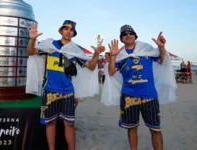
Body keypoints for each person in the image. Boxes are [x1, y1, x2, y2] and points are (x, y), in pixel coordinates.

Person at [26, 20, 105, 150]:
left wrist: (96, 54)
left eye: (71, 30)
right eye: (66, 28)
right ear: (61, 30)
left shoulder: (76, 50)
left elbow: (91, 67)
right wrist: (32, 39)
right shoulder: (50, 45)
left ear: (74, 33)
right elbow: (30, 52)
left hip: (67, 92)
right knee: (50, 123)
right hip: (50, 91)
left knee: (69, 124)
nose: (68, 31)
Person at [107, 25, 170, 150]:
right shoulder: (120, 55)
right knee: (131, 128)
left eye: (131, 33)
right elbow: (111, 72)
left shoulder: (146, 49)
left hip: (149, 96)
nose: (128, 35)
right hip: (128, 97)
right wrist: (113, 56)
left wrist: (162, 48)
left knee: (155, 129)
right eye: (125, 34)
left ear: (135, 36)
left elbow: (162, 61)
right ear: (122, 39)